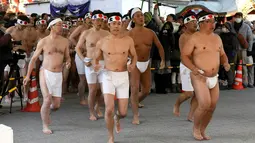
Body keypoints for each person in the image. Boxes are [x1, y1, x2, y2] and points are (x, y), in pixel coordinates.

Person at [181, 11, 230, 140]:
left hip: (214, 76)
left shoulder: (217, 38)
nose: (212, 24)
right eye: (209, 22)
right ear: (201, 23)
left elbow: (222, 54)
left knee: (212, 106)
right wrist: (193, 68)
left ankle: (203, 130)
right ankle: (196, 129)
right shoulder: (194, 38)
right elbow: (184, 56)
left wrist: (225, 62)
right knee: (204, 104)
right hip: (199, 76)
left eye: (213, 21)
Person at [94, 12, 137, 143]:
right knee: (109, 109)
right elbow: (95, 59)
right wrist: (95, 65)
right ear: (109, 25)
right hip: (108, 75)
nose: (116, 26)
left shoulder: (128, 40)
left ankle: (117, 118)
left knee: (123, 112)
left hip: (123, 76)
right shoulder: (102, 42)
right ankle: (110, 136)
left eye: (119, 23)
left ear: (122, 24)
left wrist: (132, 65)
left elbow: (134, 56)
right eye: (114, 23)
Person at [23, 18, 71, 134]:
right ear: (52, 26)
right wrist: (28, 76)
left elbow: (67, 56)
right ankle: (45, 125)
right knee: (47, 99)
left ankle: (46, 112)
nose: (61, 27)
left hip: (58, 73)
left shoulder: (65, 41)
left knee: (56, 105)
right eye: (59, 25)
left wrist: (69, 62)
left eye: (62, 25)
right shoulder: (43, 41)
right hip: (45, 71)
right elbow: (33, 59)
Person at [128, 7, 165, 124]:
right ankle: (135, 115)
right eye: (138, 15)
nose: (141, 17)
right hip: (134, 63)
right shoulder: (129, 34)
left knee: (146, 90)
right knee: (134, 89)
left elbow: (159, 46)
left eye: (142, 15)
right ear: (133, 19)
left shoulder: (150, 32)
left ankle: (134, 101)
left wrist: (163, 60)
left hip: (146, 62)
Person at [76, 10, 110, 121]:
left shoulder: (107, 33)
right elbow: (77, 48)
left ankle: (98, 106)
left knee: (104, 90)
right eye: (97, 20)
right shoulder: (86, 33)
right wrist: (83, 59)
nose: (99, 22)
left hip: (102, 63)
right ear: (92, 20)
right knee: (92, 89)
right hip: (90, 63)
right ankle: (91, 112)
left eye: (101, 20)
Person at [173, 12, 198, 121]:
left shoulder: (199, 35)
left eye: (195, 21)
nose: (195, 23)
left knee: (197, 93)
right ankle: (177, 104)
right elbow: (184, 55)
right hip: (187, 66)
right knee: (189, 93)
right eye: (192, 22)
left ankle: (191, 115)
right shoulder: (183, 37)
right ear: (186, 25)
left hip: (198, 66)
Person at [69, 12, 92, 105]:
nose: (90, 20)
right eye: (88, 18)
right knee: (82, 79)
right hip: (81, 54)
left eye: (91, 18)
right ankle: (82, 98)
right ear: (85, 19)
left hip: (90, 55)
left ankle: (92, 98)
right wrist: (80, 47)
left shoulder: (95, 29)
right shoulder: (81, 28)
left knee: (92, 79)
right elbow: (71, 37)